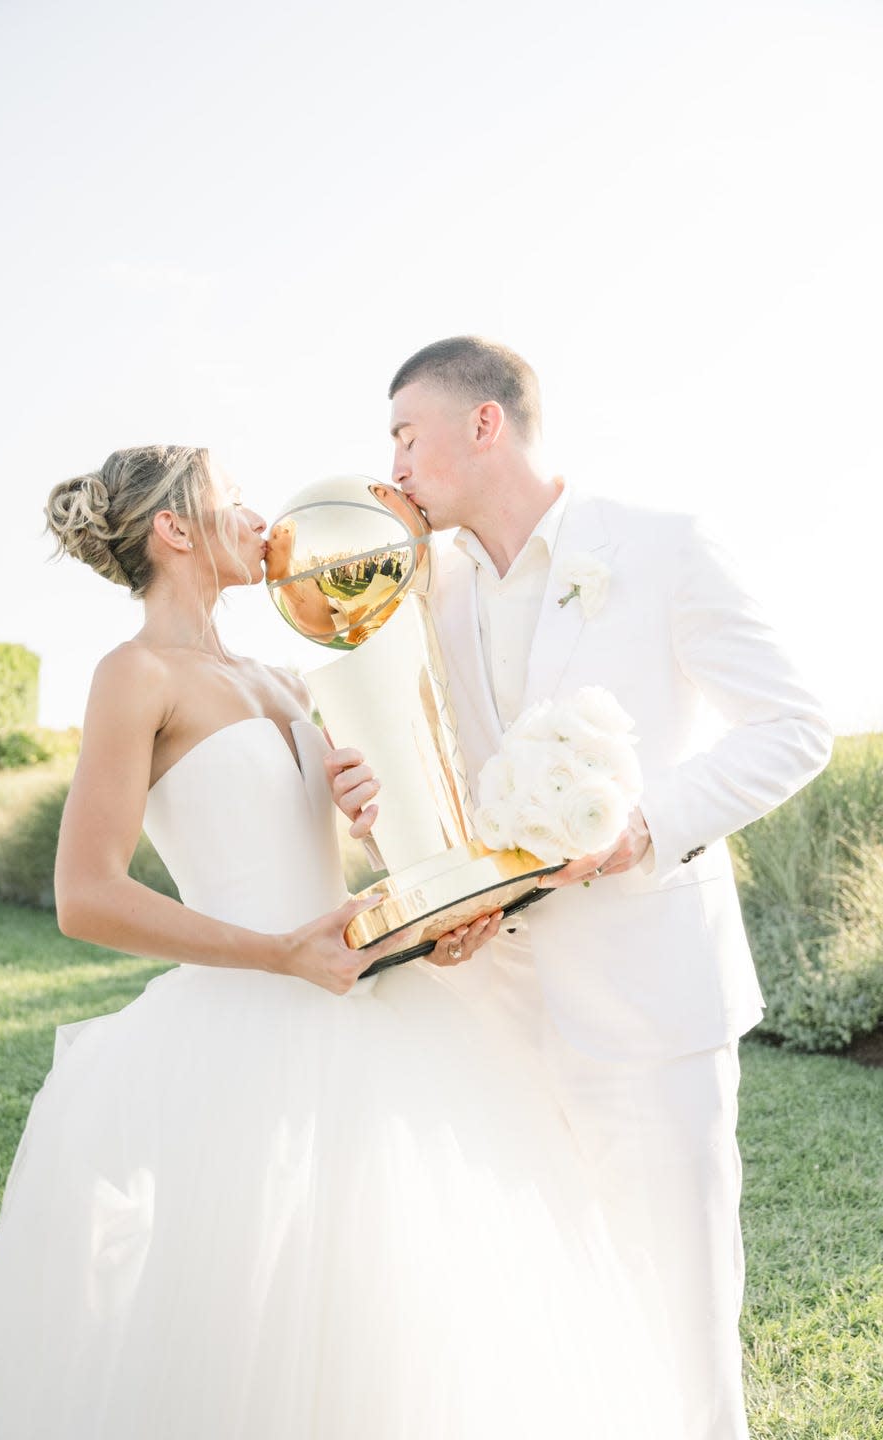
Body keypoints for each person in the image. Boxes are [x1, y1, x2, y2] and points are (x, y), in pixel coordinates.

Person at [0, 444, 686, 1439]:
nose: (264, 521)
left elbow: (323, 872)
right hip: (245, 1024)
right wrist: (279, 955)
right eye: (235, 503)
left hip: (366, 1004)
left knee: (401, 1295)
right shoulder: (134, 676)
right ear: (176, 531)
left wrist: (406, 902)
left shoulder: (280, 674)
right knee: (252, 1311)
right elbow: (85, 896)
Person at [329, 338, 834, 1440]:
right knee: (536, 1301)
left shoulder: (661, 550)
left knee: (678, 1307)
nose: (395, 465)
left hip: (649, 1001)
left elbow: (795, 729)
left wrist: (640, 826)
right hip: (494, 1011)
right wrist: (388, 814)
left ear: (485, 425)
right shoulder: (430, 591)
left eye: (406, 434)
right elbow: (450, 782)